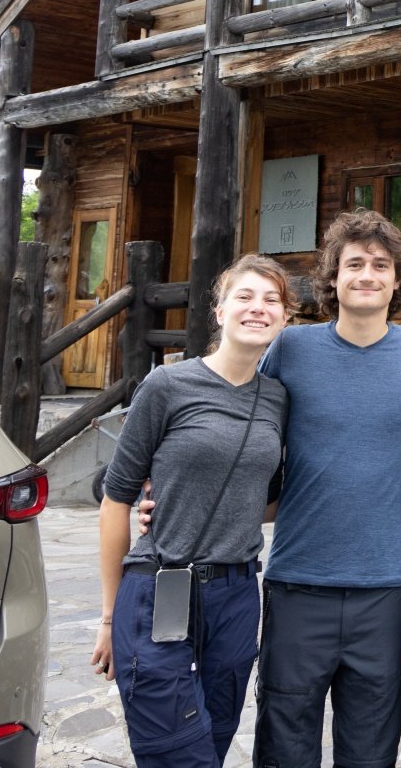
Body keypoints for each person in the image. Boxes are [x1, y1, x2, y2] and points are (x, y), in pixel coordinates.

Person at [254, 209, 401, 768]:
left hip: (380, 584)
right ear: (331, 279)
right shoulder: (292, 349)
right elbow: (245, 424)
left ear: (397, 280)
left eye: (380, 265)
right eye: (353, 263)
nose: (367, 274)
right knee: (285, 741)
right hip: (296, 581)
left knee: (371, 742)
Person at [92, 253, 291, 768]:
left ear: (285, 318)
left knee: (215, 734)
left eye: (272, 300)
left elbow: (264, 502)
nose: (258, 308)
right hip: (160, 584)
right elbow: (116, 498)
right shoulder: (167, 386)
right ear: (220, 311)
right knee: (177, 751)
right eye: (244, 296)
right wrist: (110, 616)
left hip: (237, 591)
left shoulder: (277, 399)